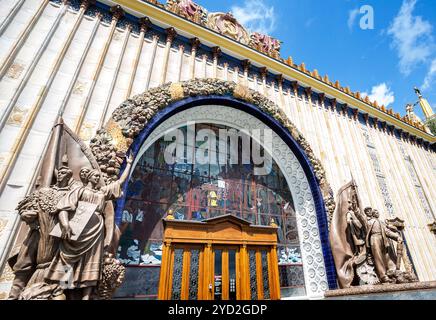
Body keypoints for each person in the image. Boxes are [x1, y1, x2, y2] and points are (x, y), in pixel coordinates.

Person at [45, 154, 134, 299]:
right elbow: (64, 208)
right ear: (88, 177)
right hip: (77, 228)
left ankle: (86, 295)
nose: (97, 178)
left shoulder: (102, 193)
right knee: (69, 257)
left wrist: (129, 164)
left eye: (99, 177)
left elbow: (121, 181)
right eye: (95, 176)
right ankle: (64, 289)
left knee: (91, 260)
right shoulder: (79, 190)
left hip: (96, 230)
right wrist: (65, 225)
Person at [365, 209, 401, 284]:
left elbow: (387, 232)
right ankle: (383, 276)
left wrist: (396, 237)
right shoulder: (369, 221)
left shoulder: (381, 222)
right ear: (373, 214)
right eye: (376, 212)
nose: (377, 213)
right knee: (378, 257)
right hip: (374, 238)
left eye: (378, 212)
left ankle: (391, 271)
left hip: (383, 239)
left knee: (387, 256)